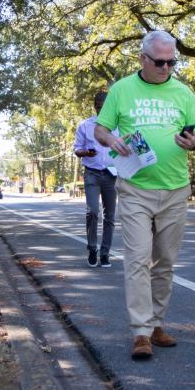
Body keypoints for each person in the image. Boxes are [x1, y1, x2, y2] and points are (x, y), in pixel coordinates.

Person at [94, 30, 195, 360]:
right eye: (160, 61)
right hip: (135, 189)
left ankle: (157, 324)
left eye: (172, 61)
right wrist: (109, 141)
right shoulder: (122, 90)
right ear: (143, 58)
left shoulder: (183, 92)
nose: (166, 67)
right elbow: (101, 129)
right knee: (137, 258)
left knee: (165, 262)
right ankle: (140, 332)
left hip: (174, 188)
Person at [74, 92, 118, 268]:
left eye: (105, 106)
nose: (102, 109)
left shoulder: (118, 125)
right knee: (92, 211)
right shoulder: (85, 125)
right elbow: (77, 149)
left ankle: (105, 253)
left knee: (110, 216)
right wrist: (86, 152)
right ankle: (92, 248)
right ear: (95, 106)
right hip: (92, 172)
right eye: (99, 106)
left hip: (111, 174)